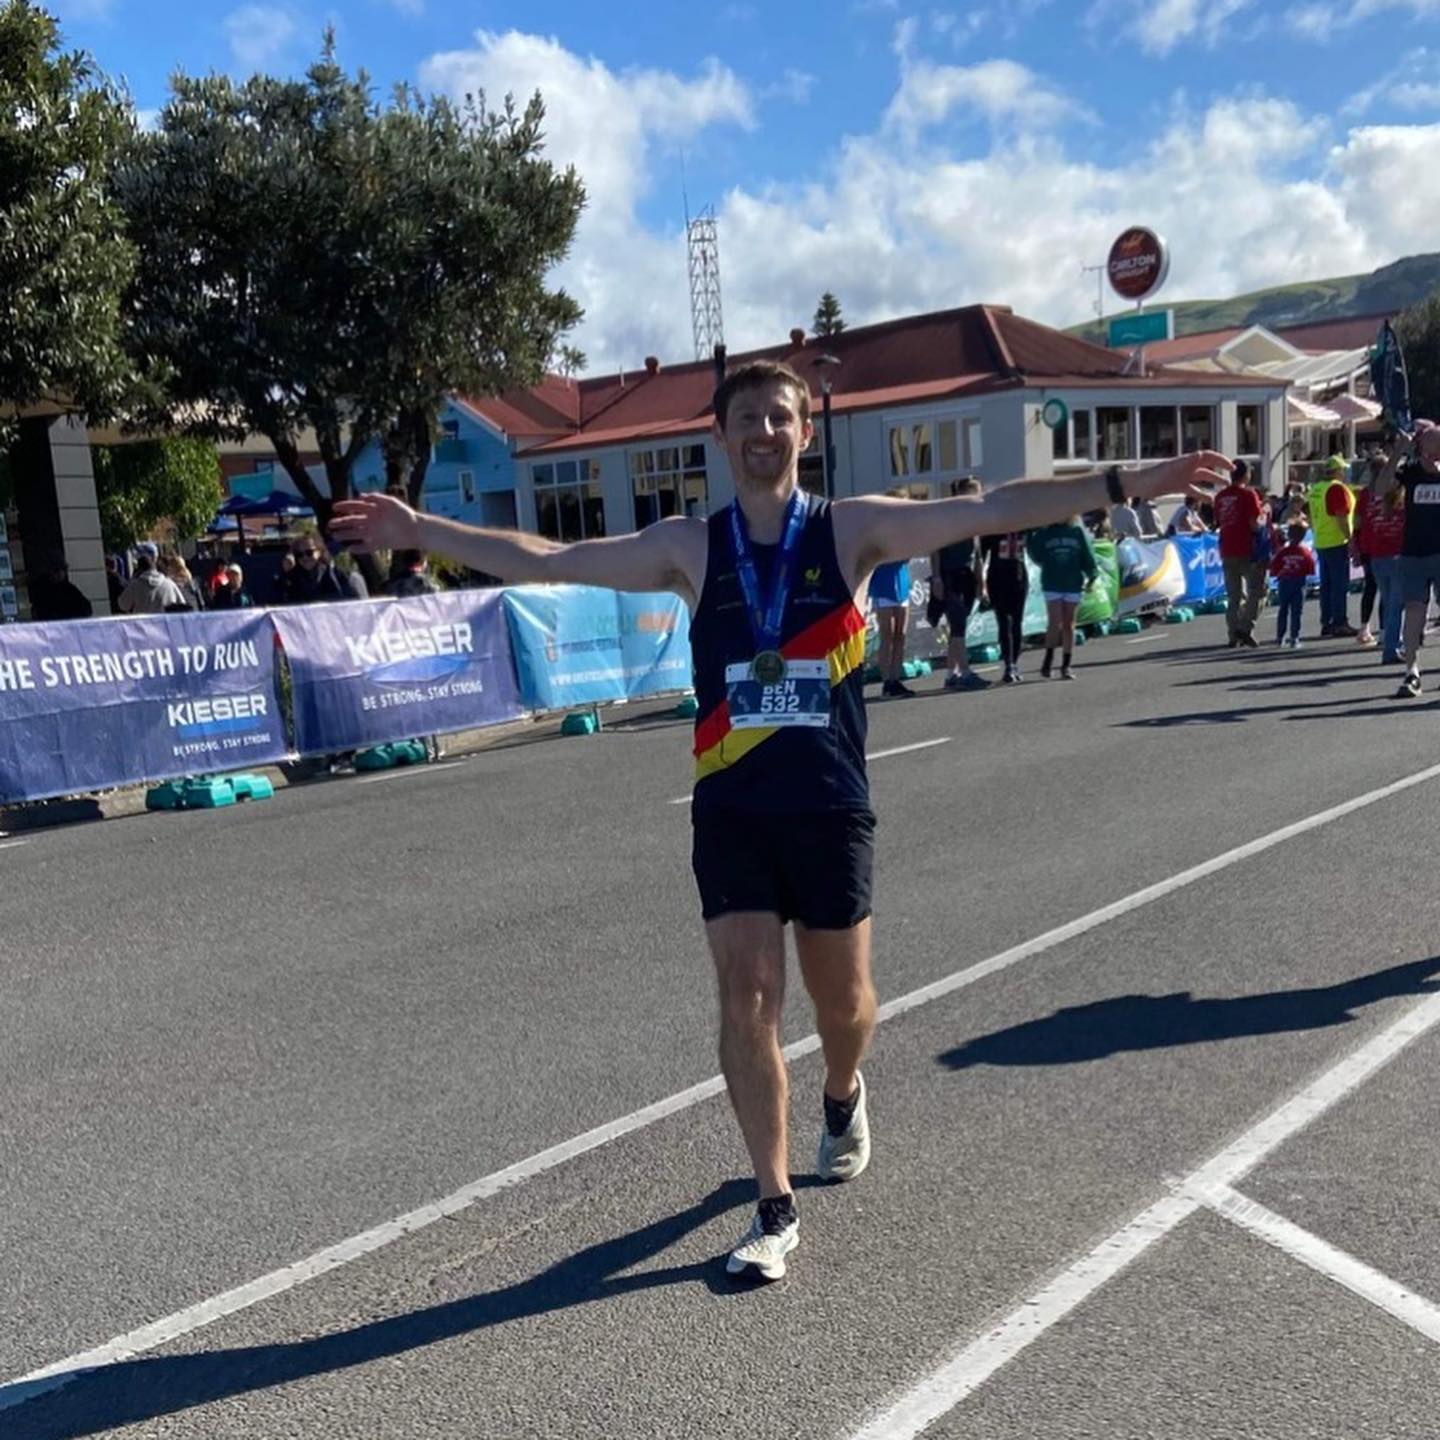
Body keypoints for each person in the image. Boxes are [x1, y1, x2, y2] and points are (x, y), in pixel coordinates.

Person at [330, 358, 1229, 1282]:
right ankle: (772, 1199)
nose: (763, 433)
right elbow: (555, 559)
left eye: (779, 419)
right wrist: (417, 528)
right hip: (732, 808)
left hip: (830, 804)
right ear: (721, 438)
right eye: (746, 419)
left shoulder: (852, 529)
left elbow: (993, 507)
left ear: (805, 433)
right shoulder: (692, 547)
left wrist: (1133, 482)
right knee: (747, 996)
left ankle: (843, 1093)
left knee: (844, 1007)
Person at [1377, 421, 1440, 697]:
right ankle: (1411, 671)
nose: (1437, 446)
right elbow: (1380, 489)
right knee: (1414, 612)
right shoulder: (1411, 473)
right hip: (1413, 553)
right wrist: (1398, 450)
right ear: (1421, 446)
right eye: (1433, 441)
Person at [929, 479, 990, 692]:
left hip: (966, 576)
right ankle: (964, 672)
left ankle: (950, 675)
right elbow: (935, 549)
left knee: (958, 625)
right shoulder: (948, 516)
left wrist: (981, 584)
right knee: (958, 625)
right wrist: (936, 577)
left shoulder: (975, 521)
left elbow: (978, 555)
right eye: (974, 494)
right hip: (949, 575)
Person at [1027, 516, 1096, 680]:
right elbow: (1035, 553)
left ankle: (1066, 664)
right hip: (1053, 581)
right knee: (1054, 621)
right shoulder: (1045, 533)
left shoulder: (1076, 532)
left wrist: (1092, 574)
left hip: (1072, 582)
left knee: (1069, 624)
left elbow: (1087, 554)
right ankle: (1048, 660)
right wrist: (1030, 533)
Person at [1357, 454, 1406, 664]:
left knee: (1387, 599)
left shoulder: (1370, 497)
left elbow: (1359, 522)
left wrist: (1357, 546)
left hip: (1375, 554)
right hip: (1396, 556)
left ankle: (1389, 638)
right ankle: (1393, 644)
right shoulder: (1400, 503)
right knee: (1396, 604)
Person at [1214, 459, 1266, 648]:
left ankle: (1232, 633)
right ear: (1246, 475)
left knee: (1234, 595)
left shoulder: (1220, 497)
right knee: (1258, 591)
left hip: (1226, 548)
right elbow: (1254, 524)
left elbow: (1219, 520)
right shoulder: (1248, 494)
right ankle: (1245, 628)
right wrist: (1264, 524)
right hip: (1247, 548)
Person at [1307, 454, 1357, 637]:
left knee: (1326, 585)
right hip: (1337, 540)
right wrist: (1350, 538)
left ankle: (1326, 621)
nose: (1344, 473)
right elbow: (1341, 516)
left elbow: (1312, 516)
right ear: (1337, 471)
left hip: (1321, 539)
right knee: (1339, 584)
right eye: (1342, 470)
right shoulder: (1336, 489)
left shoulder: (1315, 489)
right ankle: (1339, 621)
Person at [979, 528, 1029, 683]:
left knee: (1017, 622)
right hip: (997, 580)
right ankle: (1008, 664)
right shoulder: (992, 530)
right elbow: (980, 555)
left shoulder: (1023, 527)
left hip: (1019, 578)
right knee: (1004, 622)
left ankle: (1015, 663)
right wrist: (982, 585)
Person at [867, 557, 913, 698]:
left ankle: (895, 679)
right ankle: (887, 681)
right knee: (887, 636)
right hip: (882, 585)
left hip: (902, 584)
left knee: (900, 636)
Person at [1269, 522, 1315, 649]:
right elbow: (1310, 568)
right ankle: (1294, 638)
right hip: (1298, 583)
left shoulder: (1283, 552)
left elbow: (1274, 568)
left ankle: (1280, 637)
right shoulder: (1305, 552)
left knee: (1283, 609)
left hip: (1284, 582)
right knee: (1296, 612)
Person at [290, 536, 369, 602]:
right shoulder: (292, 582)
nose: (305, 558)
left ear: (320, 551)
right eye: (299, 554)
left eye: (309, 552)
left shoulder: (344, 577)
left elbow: (362, 609)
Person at [116, 546, 186, 615]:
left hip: (143, 625)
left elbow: (123, 605)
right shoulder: (170, 584)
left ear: (139, 569)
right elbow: (183, 605)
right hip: (164, 624)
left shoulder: (135, 586)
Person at [28, 555, 93, 621]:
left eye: (63, 570)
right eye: (56, 570)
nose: (60, 574)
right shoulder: (41, 589)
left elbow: (86, 609)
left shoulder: (69, 589)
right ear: (49, 571)